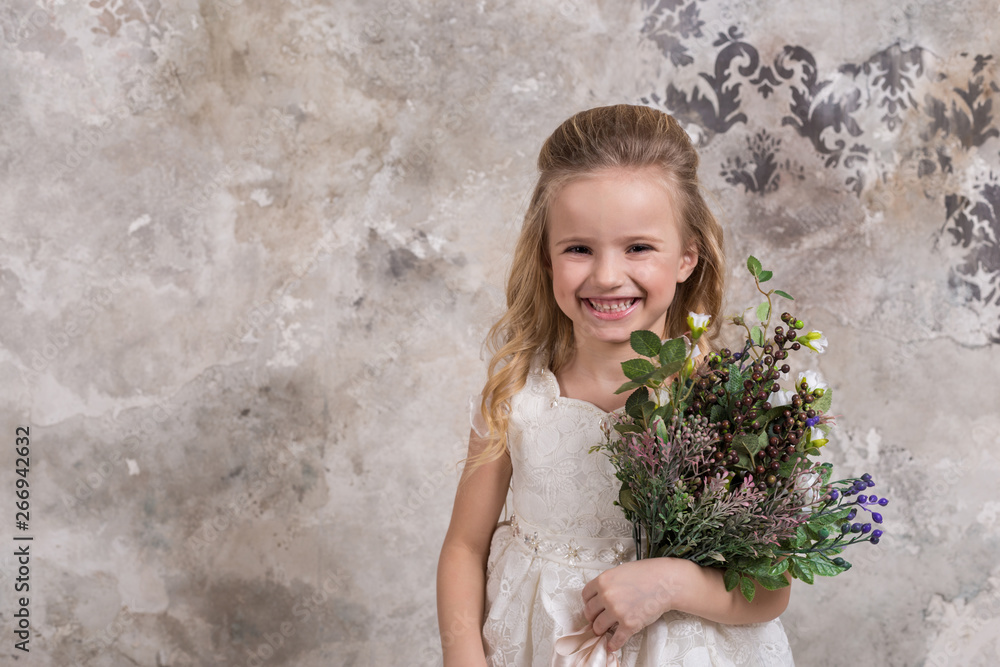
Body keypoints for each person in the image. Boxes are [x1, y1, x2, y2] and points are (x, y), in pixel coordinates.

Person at [437, 104, 795, 666]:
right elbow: (464, 546)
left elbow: (770, 591)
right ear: (546, 257)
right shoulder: (517, 398)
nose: (606, 275)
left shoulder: (725, 405)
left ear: (686, 258)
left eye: (638, 247)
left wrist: (673, 584)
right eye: (579, 248)